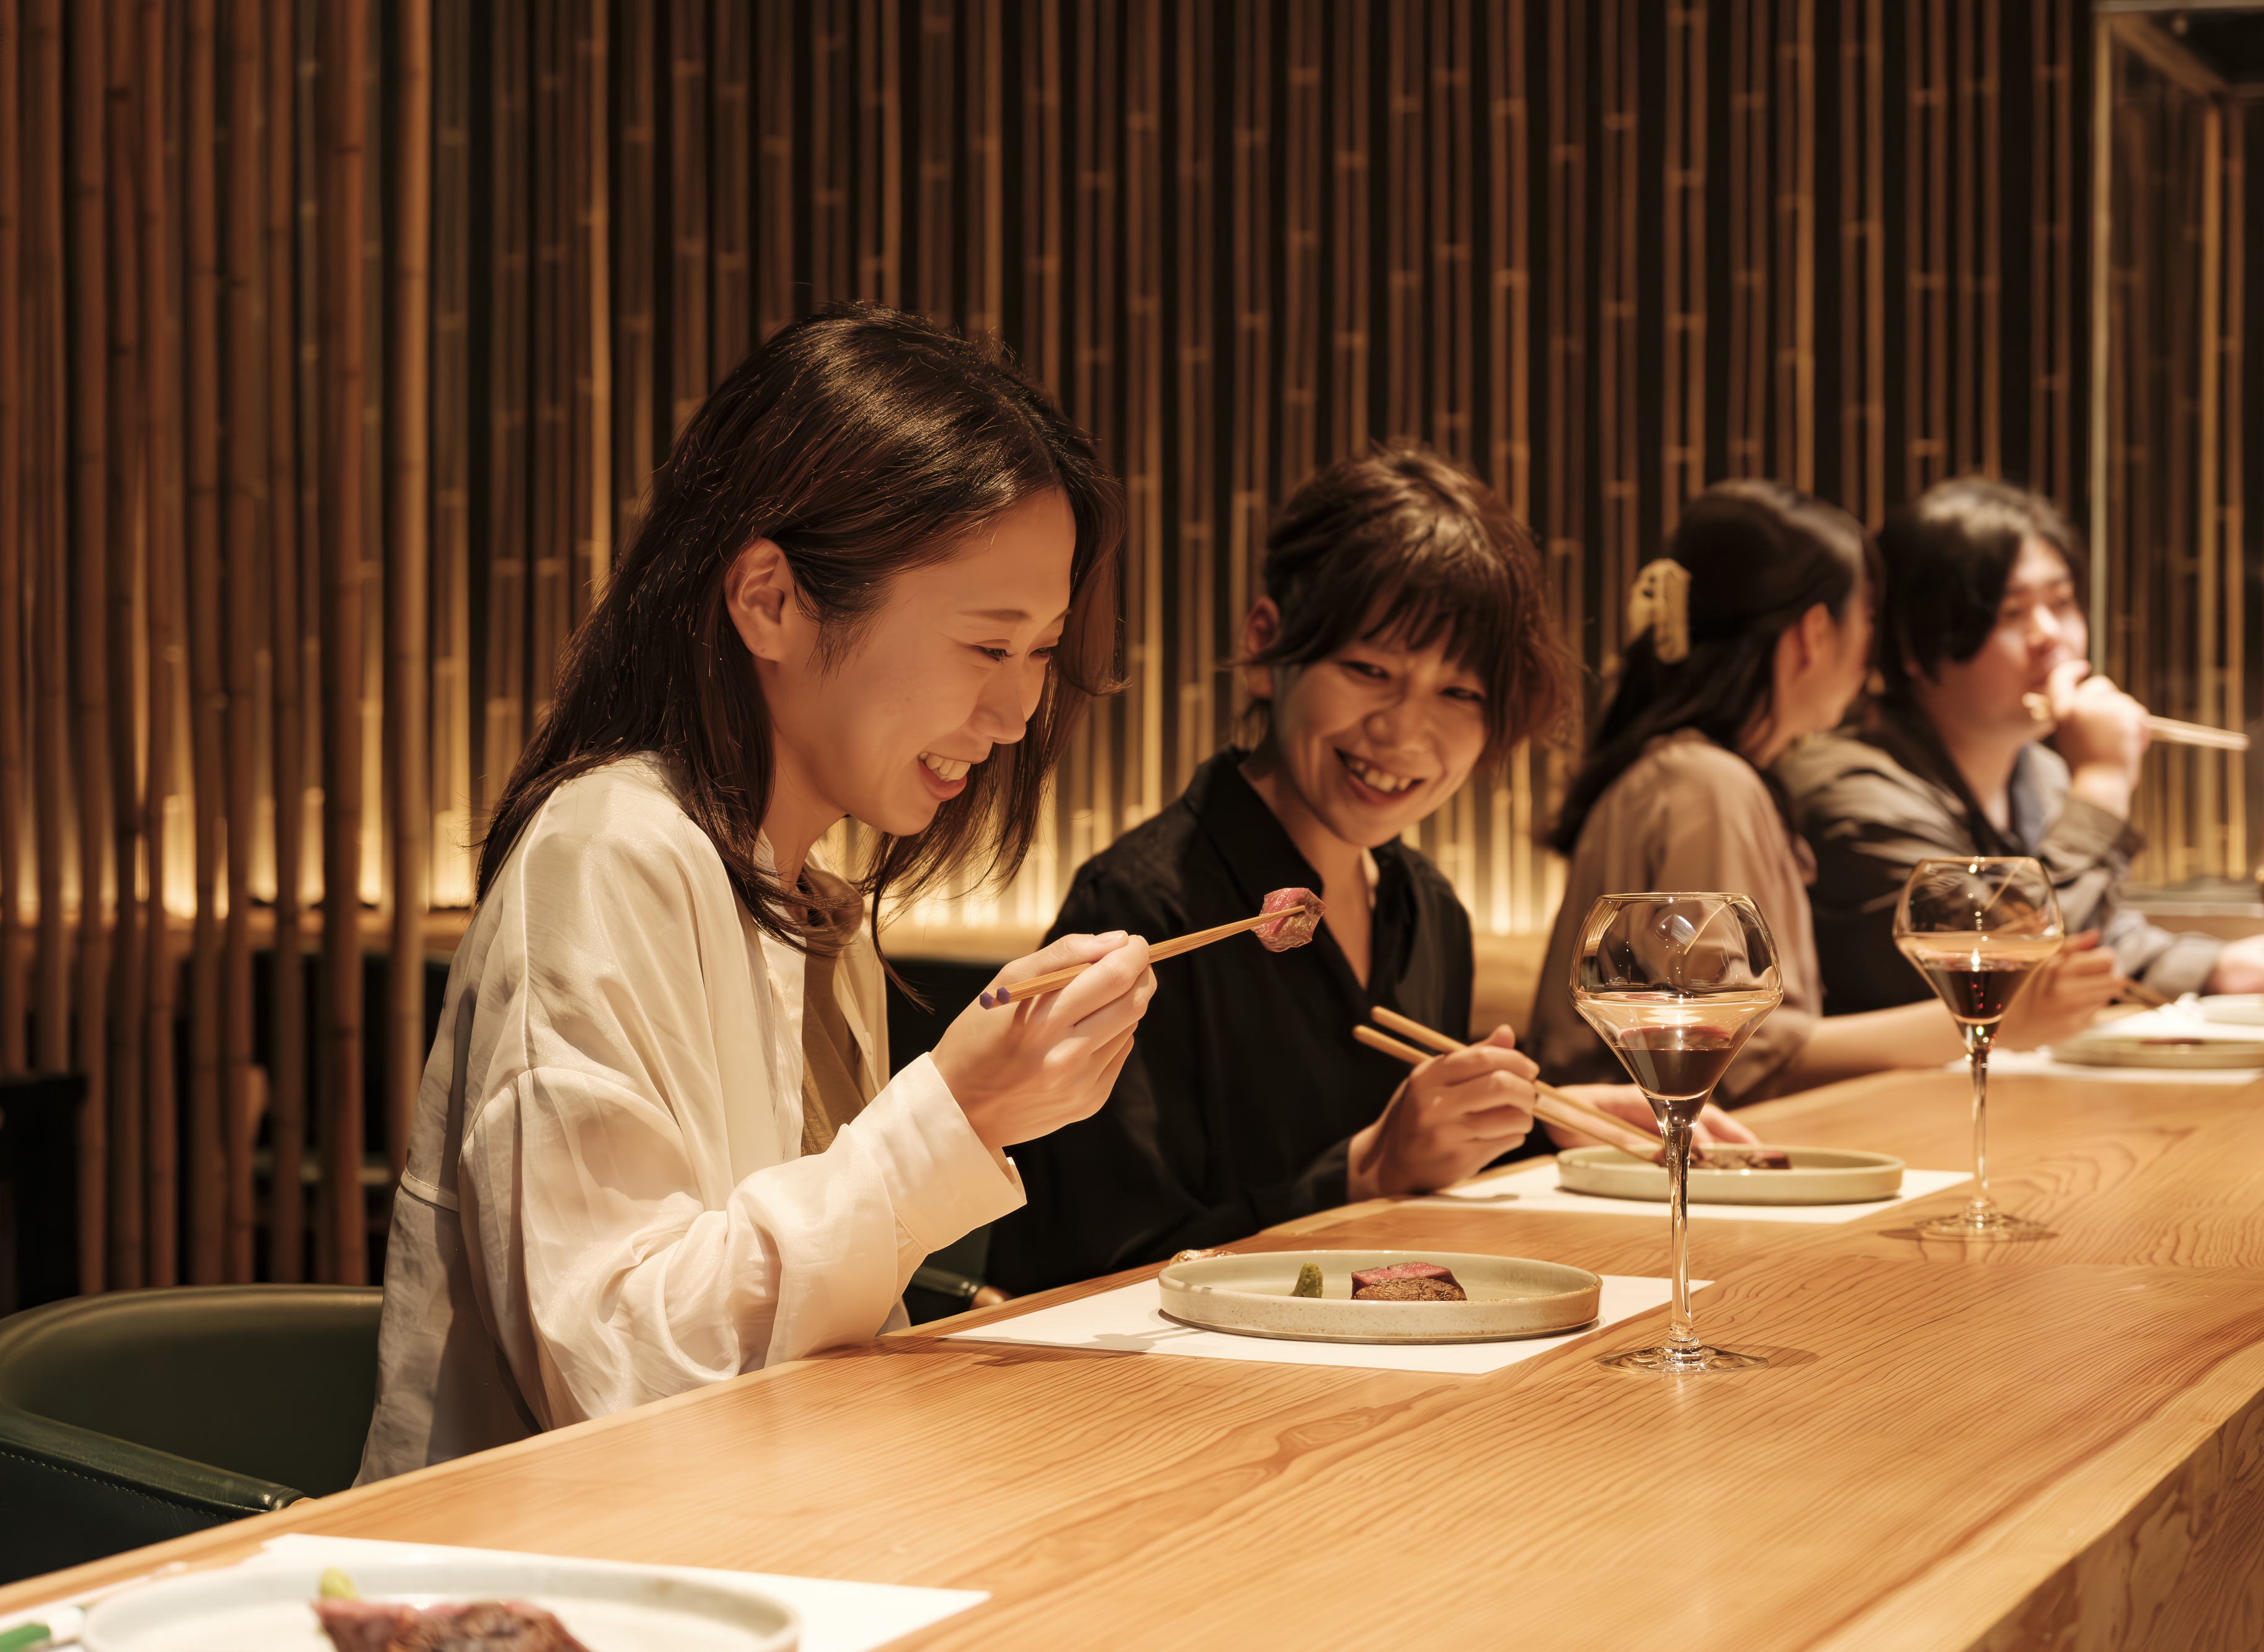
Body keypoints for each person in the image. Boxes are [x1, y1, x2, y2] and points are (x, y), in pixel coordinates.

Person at [358, 304, 1159, 1482]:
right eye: (988, 647)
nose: (1018, 714)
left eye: (1041, 652)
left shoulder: (805, 895)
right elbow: (614, 1367)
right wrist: (956, 1115)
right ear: (771, 600)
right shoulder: (610, 853)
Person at [989, 444, 1678, 1296]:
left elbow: (1417, 1210)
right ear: (1267, 641)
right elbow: (1088, 1271)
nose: (1405, 733)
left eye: (1459, 693)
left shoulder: (1430, 912)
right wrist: (1360, 1169)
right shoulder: (1142, 913)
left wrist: (1548, 1126)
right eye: (1370, 669)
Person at [1529, 481, 2119, 1104]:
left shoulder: (1712, 773)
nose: (1872, 652)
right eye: (1866, 619)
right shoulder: (1704, 782)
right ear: (1814, 633)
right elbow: (1733, 1051)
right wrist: (1987, 1021)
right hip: (1638, 1166)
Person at [1776, 476, 2264, 1017]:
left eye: (2063, 602)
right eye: (2011, 613)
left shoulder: (2037, 773)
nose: (2051, 634)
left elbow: (2097, 936)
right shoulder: (1853, 792)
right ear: (1913, 646)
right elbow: (1996, 965)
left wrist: (2217, 966)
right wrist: (2102, 781)